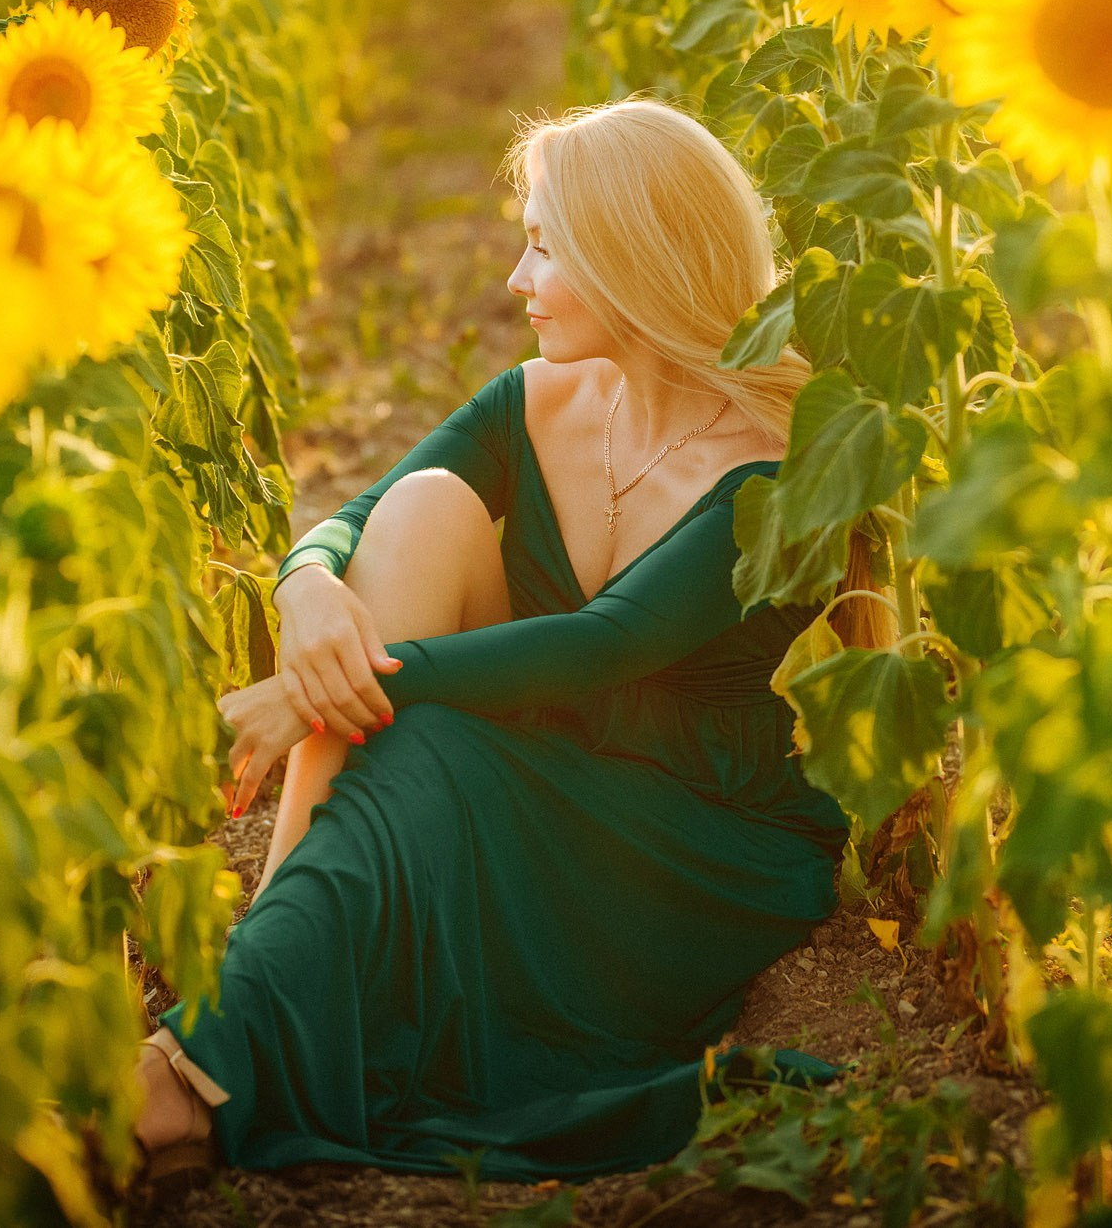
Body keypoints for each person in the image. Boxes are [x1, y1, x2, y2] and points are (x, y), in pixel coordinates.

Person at [127, 96, 868, 1191]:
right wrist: (305, 592)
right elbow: (361, 509)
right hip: (547, 761)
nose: (516, 281)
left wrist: (319, 693)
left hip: (696, 838)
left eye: (542, 246)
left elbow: (602, 644)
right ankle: (253, 986)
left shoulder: (775, 465)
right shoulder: (544, 398)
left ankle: (193, 1068)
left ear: (634, 258)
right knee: (424, 507)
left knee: (420, 744)